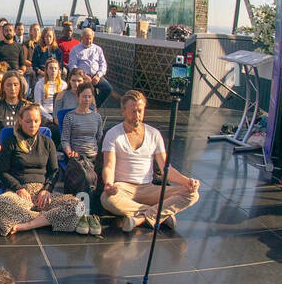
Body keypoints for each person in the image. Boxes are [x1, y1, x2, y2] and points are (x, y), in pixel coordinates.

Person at [100, 89, 200, 232]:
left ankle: (141, 218)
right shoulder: (113, 134)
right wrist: (109, 184)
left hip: (148, 188)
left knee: (192, 194)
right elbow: (109, 166)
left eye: (140, 111)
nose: (137, 115)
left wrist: (187, 182)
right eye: (133, 111)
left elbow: (167, 169)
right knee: (107, 199)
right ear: (123, 111)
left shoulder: (154, 134)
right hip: (123, 189)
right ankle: (161, 214)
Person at [0, 103, 85, 237]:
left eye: (36, 121)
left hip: (42, 192)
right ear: (20, 121)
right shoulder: (11, 142)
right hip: (19, 194)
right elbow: (3, 171)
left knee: (79, 206)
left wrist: (47, 189)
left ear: (40, 121)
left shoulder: (47, 142)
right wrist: (18, 188)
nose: (33, 125)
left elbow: (54, 171)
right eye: (28, 121)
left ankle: (27, 225)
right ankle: (47, 219)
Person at [60, 83, 104, 202]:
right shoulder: (70, 117)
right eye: (84, 96)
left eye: (89, 97)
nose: (87, 99)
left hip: (95, 156)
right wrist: (69, 152)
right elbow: (65, 139)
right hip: (78, 157)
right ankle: (83, 210)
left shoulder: (97, 117)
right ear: (78, 97)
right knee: (87, 177)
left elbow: (100, 138)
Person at [0, 71, 28, 173]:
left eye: (15, 85)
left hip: (23, 153)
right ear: (3, 87)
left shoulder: (26, 107)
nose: (12, 88)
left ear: (20, 87)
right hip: (0, 153)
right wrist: (5, 154)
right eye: (8, 85)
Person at [68, 27, 113, 107]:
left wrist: (98, 76)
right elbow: (72, 65)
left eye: (90, 39)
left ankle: (94, 107)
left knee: (108, 88)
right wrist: (84, 76)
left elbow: (103, 64)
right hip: (82, 77)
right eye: (86, 39)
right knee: (84, 90)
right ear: (81, 38)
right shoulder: (75, 50)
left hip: (96, 76)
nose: (88, 41)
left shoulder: (98, 49)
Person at [33, 56, 66, 125]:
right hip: (45, 114)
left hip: (59, 114)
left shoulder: (63, 85)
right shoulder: (39, 84)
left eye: (55, 68)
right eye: (51, 68)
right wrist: (49, 117)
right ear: (46, 70)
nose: (53, 70)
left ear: (58, 70)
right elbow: (38, 104)